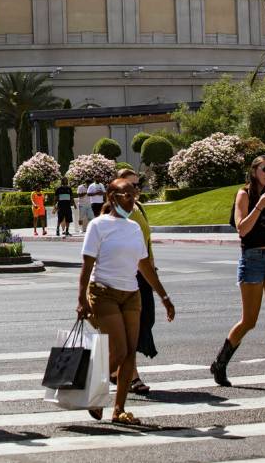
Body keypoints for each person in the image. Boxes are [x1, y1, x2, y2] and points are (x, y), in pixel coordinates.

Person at [77, 179, 175, 425]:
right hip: (103, 292)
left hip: (131, 294)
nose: (132, 200)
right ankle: (93, 390)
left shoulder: (133, 228)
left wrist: (164, 296)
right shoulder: (98, 226)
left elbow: (145, 266)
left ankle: (118, 410)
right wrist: (81, 299)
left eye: (134, 195)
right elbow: (87, 265)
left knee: (130, 351)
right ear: (112, 197)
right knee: (119, 350)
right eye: (127, 195)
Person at [209, 155, 265, 390]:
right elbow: (242, 229)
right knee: (249, 320)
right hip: (251, 258)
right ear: (254, 171)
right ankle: (220, 362)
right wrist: (260, 205)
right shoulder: (244, 195)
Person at [116, 168, 165, 394]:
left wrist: (153, 271)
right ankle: (132, 376)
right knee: (131, 328)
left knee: (146, 321)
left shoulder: (139, 208)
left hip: (144, 274)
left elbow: (147, 244)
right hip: (126, 277)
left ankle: (115, 370)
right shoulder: (117, 213)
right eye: (131, 185)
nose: (136, 189)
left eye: (138, 185)